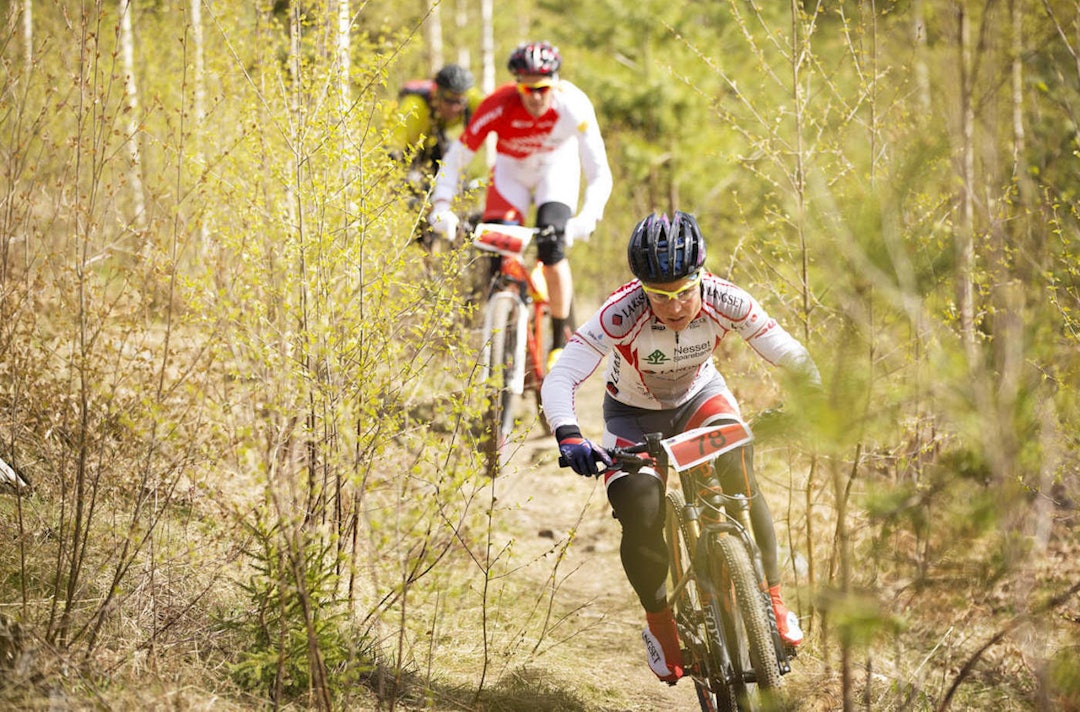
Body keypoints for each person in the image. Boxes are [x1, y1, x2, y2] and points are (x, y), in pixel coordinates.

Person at [540, 211, 820, 684]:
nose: (673, 306)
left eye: (684, 291)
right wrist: (569, 433)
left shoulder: (725, 298)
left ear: (700, 277)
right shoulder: (621, 312)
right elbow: (563, 373)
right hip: (631, 415)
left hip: (699, 399)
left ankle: (771, 602)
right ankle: (661, 626)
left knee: (739, 465)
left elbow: (785, 348)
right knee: (641, 507)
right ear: (642, 287)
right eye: (660, 295)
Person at [428, 41, 613, 364]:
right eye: (527, 89)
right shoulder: (498, 105)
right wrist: (441, 205)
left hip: (555, 171)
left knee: (552, 247)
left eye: (542, 88)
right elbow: (458, 157)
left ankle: (558, 341)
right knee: (498, 252)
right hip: (510, 173)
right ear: (517, 86)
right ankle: (502, 320)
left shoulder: (574, 106)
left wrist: (587, 218)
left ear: (554, 82)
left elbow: (599, 171)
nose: (535, 96)